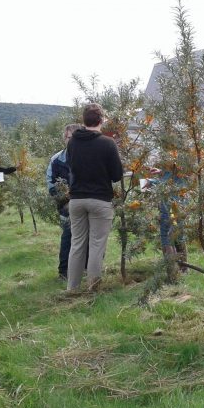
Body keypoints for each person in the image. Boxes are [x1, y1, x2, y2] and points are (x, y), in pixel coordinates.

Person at [65, 103, 124, 290]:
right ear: (101, 120)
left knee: (77, 244)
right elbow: (116, 175)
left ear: (84, 120)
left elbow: (70, 166)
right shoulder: (107, 143)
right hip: (99, 199)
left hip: (76, 200)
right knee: (97, 245)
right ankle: (93, 288)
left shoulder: (73, 142)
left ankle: (72, 288)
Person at [46, 123, 82, 280]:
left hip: (84, 204)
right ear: (64, 139)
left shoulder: (87, 157)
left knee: (86, 238)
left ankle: (85, 268)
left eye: (74, 137)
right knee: (68, 236)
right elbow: (50, 184)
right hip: (66, 207)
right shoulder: (57, 160)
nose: (71, 140)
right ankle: (64, 271)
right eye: (68, 137)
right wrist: (65, 199)